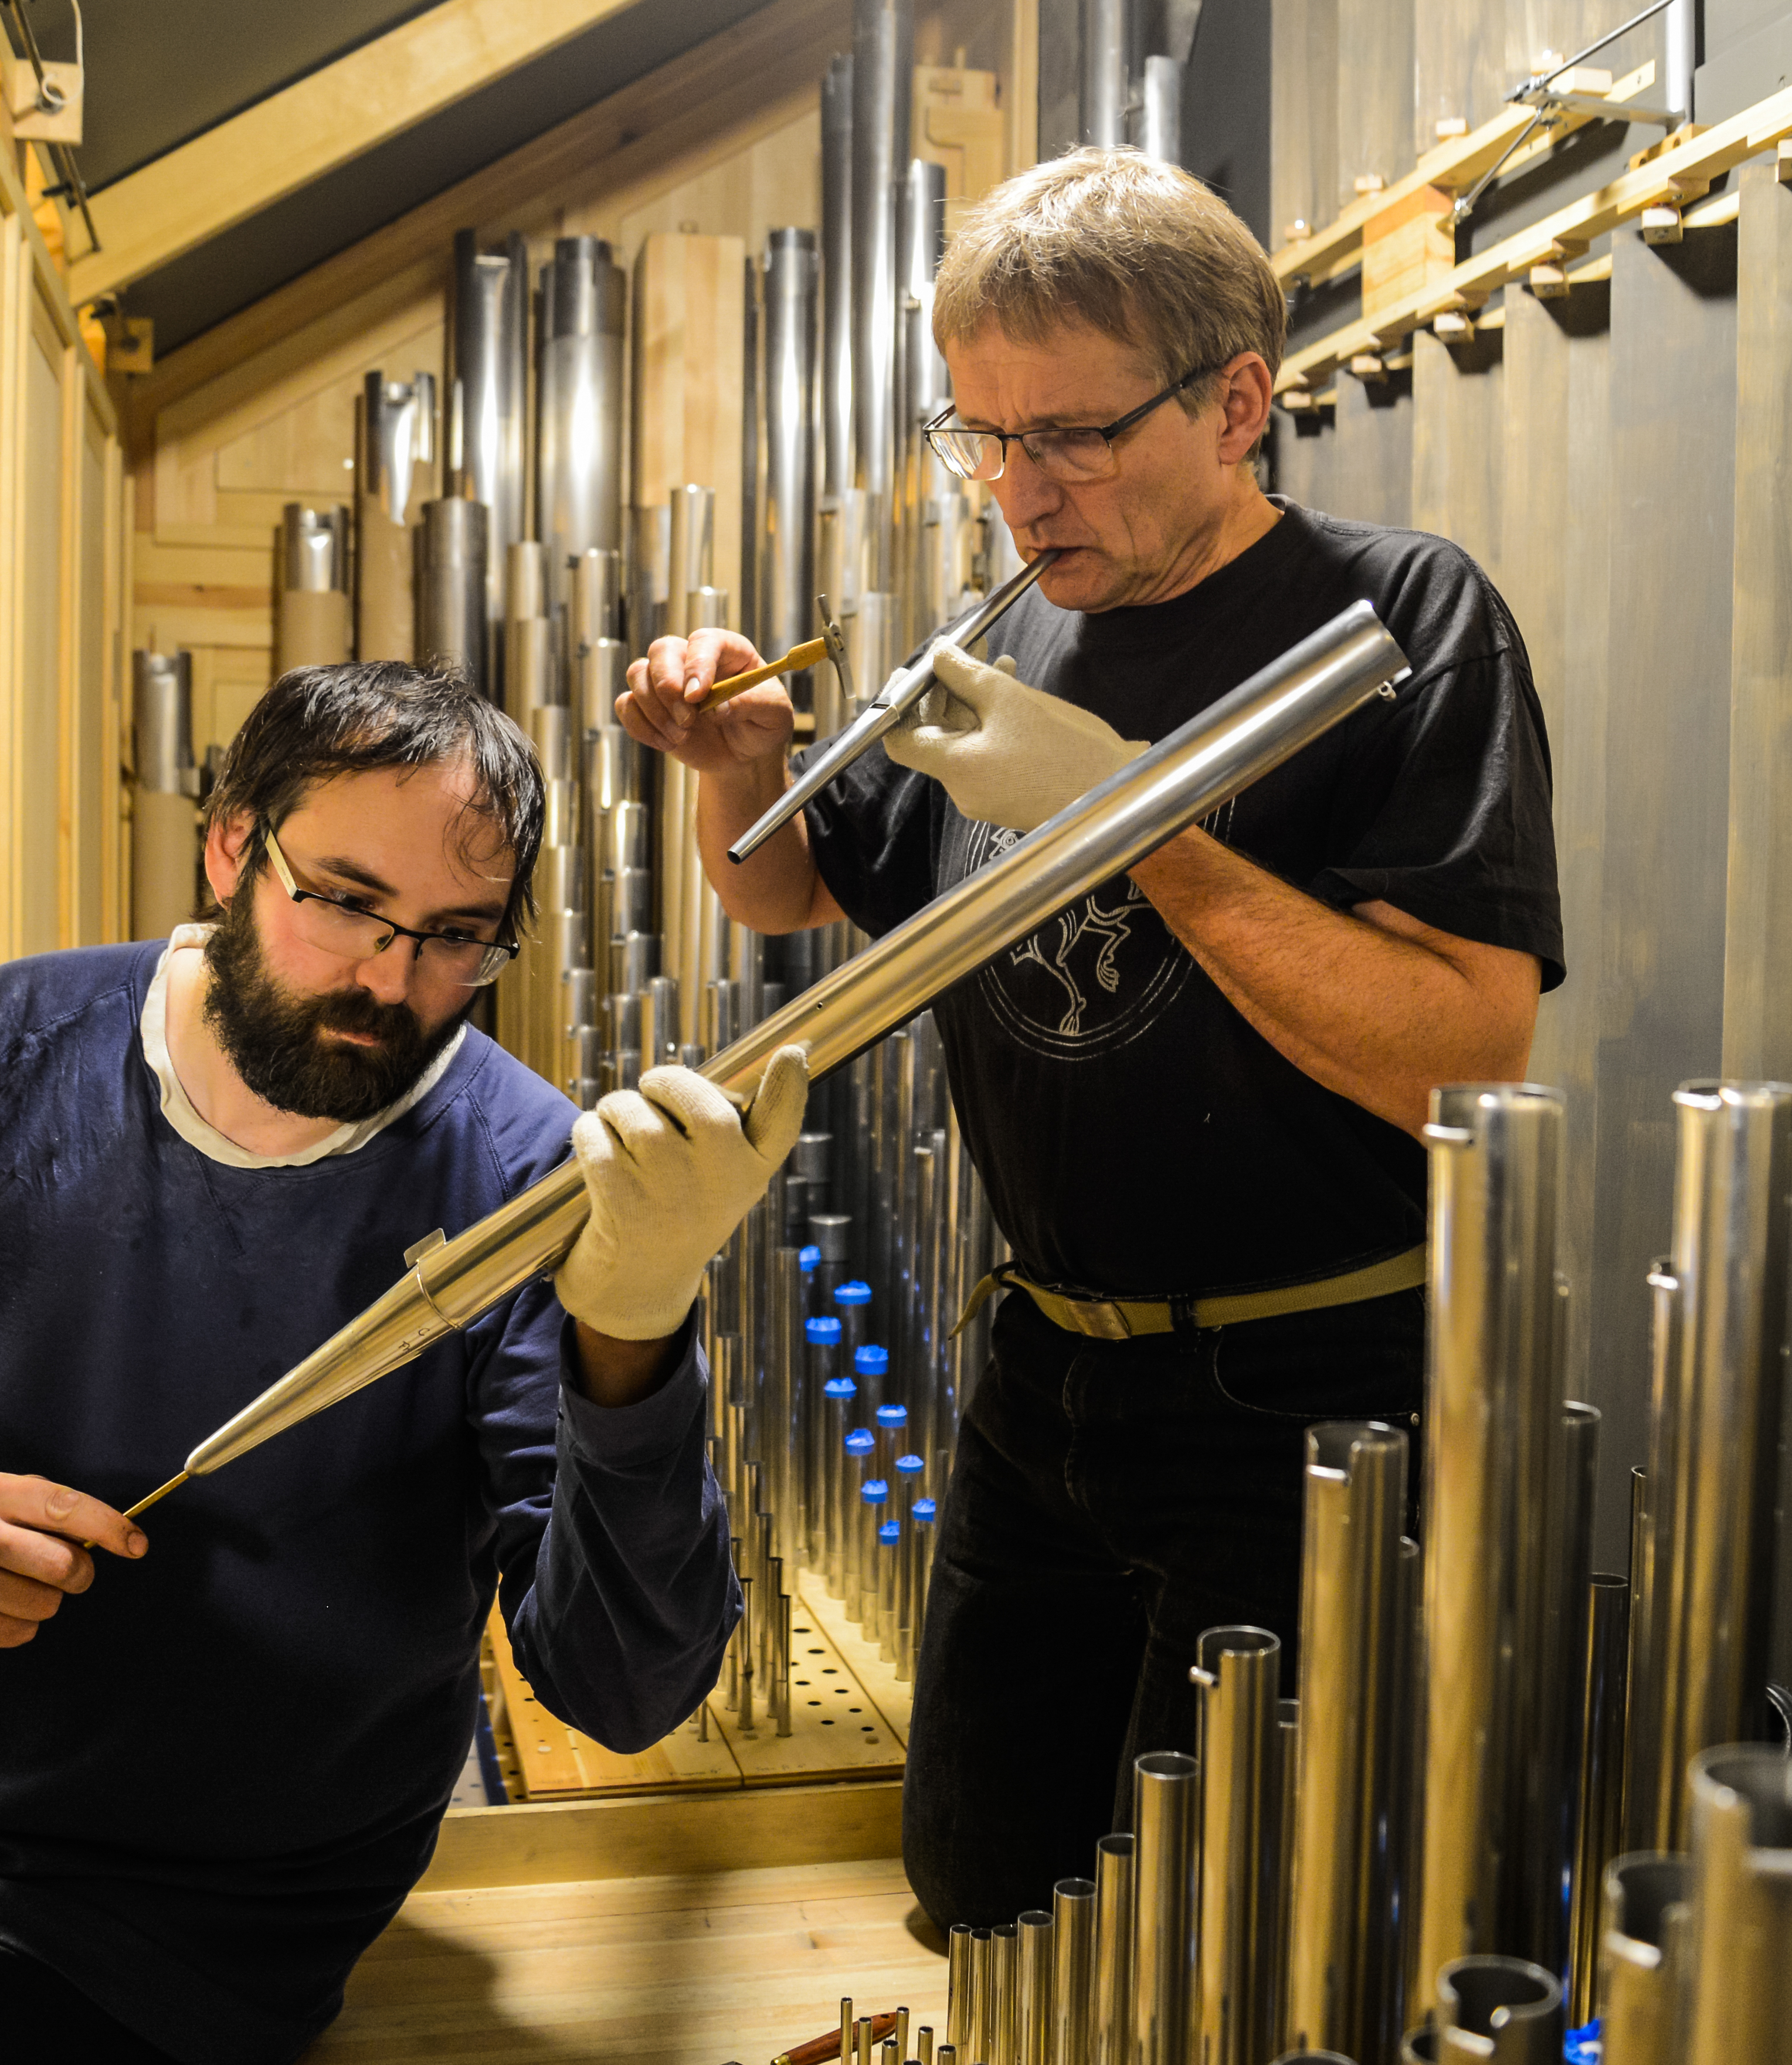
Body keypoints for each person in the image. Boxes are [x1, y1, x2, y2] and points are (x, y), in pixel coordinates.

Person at [616, 148, 1563, 1927]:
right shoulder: (1022, 618)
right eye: (978, 435)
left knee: (1220, 1936)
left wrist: (1136, 825)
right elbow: (798, 889)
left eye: (1066, 436)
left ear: (1235, 402)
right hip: (1043, 1369)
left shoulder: (1400, 621)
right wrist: (738, 765)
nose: (1012, 491)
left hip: (1307, 1402)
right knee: (981, 1888)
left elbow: (1464, 1052)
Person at [0, 660, 807, 2063]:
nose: (390, 980)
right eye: (345, 903)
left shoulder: (519, 1175)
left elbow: (624, 1690)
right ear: (230, 845)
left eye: (455, 937)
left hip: (201, 1923)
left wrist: (635, 1334)